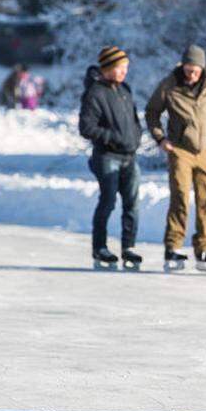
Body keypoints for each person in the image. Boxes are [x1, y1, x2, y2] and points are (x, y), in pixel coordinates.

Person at [145, 44, 206, 272]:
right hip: (179, 148)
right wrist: (161, 139)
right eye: (188, 70)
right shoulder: (169, 85)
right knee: (180, 196)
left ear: (202, 68)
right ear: (182, 67)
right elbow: (152, 112)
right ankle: (173, 246)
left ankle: (204, 248)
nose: (191, 75)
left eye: (196, 71)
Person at [78, 46, 144, 269]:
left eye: (126, 67)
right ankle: (100, 247)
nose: (124, 71)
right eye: (119, 67)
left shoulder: (125, 90)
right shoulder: (95, 92)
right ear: (107, 68)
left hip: (129, 155)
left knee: (132, 203)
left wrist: (136, 135)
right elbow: (86, 127)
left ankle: (129, 247)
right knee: (108, 201)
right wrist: (112, 137)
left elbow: (134, 119)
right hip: (107, 156)